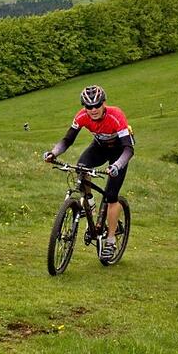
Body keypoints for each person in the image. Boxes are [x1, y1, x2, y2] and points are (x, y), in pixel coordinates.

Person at [43, 85, 134, 262]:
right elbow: (67, 140)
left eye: (96, 105)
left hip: (120, 151)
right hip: (99, 148)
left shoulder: (116, 116)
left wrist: (117, 165)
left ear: (103, 103)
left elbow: (129, 149)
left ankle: (110, 240)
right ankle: (89, 204)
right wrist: (53, 153)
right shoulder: (82, 116)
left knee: (111, 196)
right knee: (81, 167)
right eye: (88, 106)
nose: (93, 110)